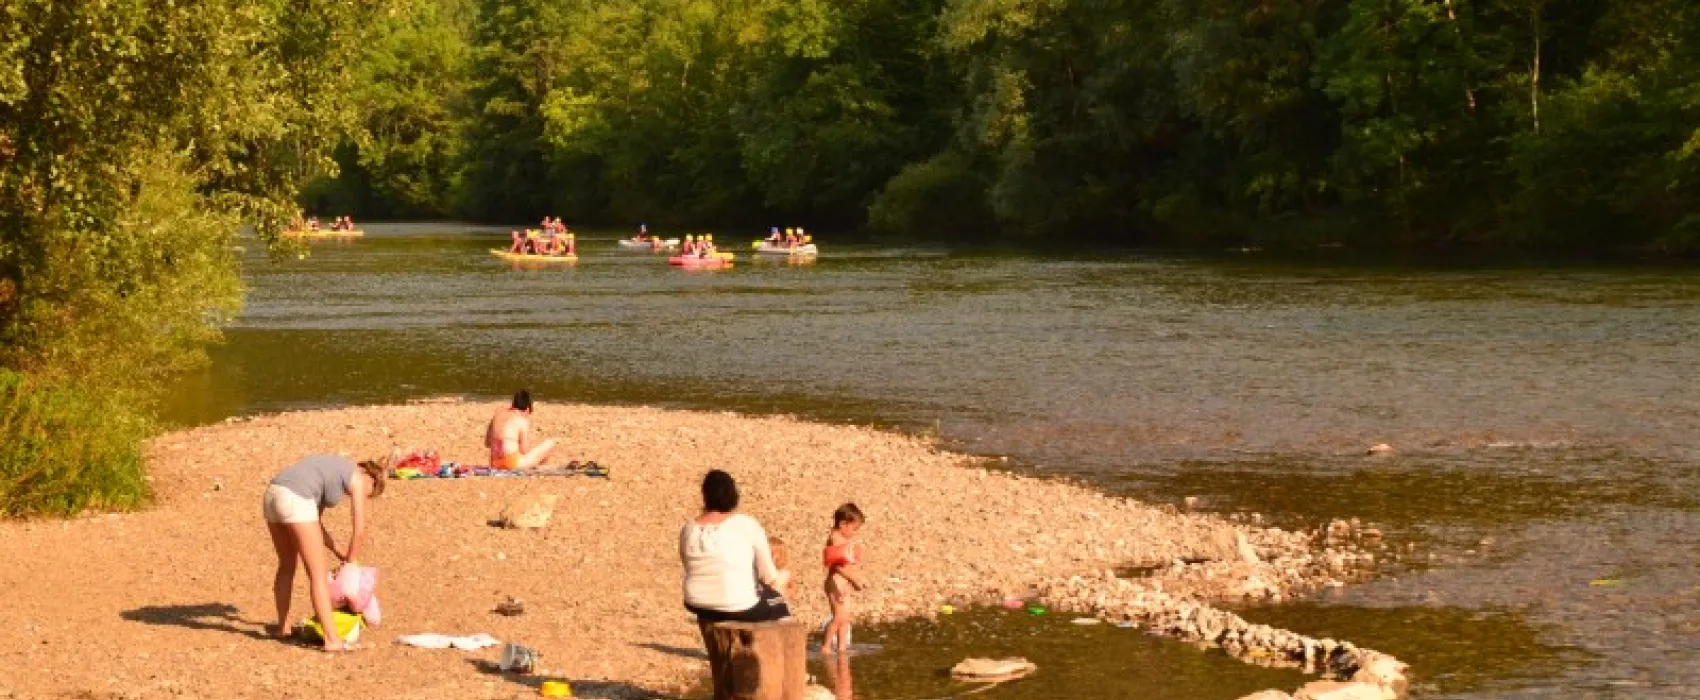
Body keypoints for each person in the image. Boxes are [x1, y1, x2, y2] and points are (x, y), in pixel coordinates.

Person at [264, 454, 387, 651]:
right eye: (369, 493)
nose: (363, 497)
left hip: (274, 493)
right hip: (296, 498)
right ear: (371, 479)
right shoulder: (356, 477)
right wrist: (351, 562)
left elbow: (315, 525)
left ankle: (283, 628)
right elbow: (359, 531)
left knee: (287, 565)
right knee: (317, 575)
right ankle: (332, 640)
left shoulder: (332, 470)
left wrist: (341, 553)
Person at [680, 470, 792, 624]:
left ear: (705, 496)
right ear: (733, 495)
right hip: (738, 604)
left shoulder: (688, 529)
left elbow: (688, 565)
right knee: (779, 604)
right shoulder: (745, 524)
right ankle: (779, 647)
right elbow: (769, 574)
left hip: (695, 602)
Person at [822, 503, 867, 653]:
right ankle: (826, 647)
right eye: (853, 529)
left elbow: (848, 564)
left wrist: (856, 578)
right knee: (838, 617)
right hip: (835, 584)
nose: (854, 533)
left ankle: (842, 647)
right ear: (842, 524)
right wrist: (853, 579)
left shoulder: (845, 541)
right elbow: (837, 566)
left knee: (846, 619)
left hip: (844, 583)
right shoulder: (834, 538)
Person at [485, 390, 557, 469]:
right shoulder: (522, 420)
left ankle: (539, 467)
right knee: (550, 443)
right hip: (511, 464)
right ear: (527, 409)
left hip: (494, 464)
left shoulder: (498, 413)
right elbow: (524, 451)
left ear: (513, 404)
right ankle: (540, 468)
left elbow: (487, 443)